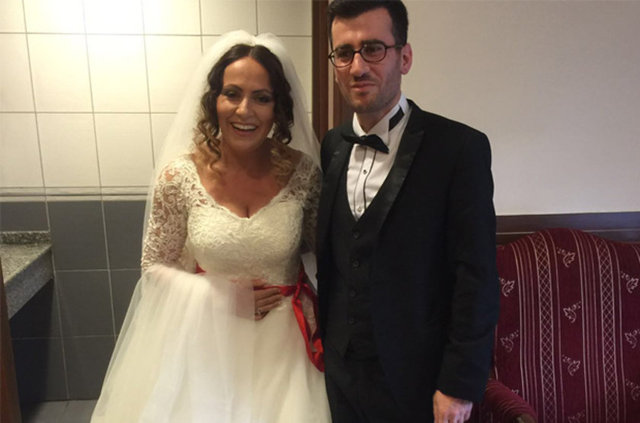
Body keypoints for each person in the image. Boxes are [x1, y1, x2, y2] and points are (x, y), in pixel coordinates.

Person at [91, 31, 330, 423]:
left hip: (287, 349)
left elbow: (325, 251)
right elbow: (153, 266)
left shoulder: (303, 173)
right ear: (214, 100)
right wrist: (222, 297)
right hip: (206, 344)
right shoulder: (178, 177)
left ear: (278, 108)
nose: (244, 110)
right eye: (232, 94)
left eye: (261, 98)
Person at [316, 1, 500, 422]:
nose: (357, 66)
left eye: (373, 49)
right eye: (344, 53)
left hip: (420, 383)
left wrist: (458, 385)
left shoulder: (459, 149)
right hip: (340, 374)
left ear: (405, 57)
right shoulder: (331, 146)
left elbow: (476, 278)